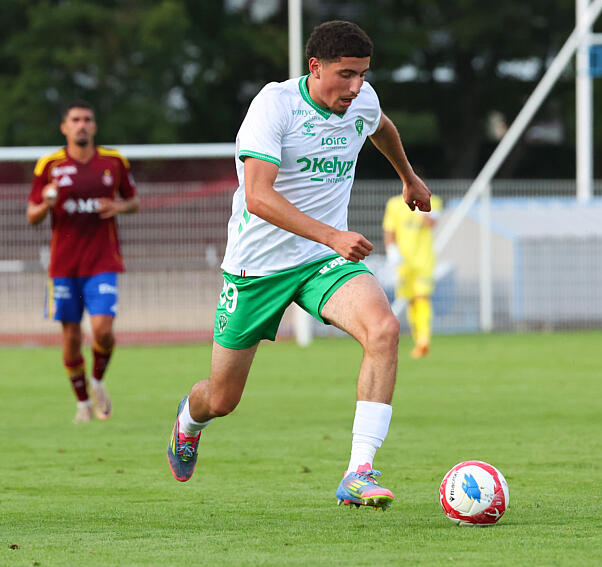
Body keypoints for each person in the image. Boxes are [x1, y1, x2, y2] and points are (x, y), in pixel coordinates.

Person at [165, 21, 431, 510]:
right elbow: (259, 197)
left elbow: (381, 126)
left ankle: (359, 470)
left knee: (384, 330)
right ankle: (189, 419)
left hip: (322, 262)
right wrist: (333, 233)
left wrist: (409, 179)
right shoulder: (275, 105)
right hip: (257, 268)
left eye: (363, 75)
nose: (356, 87)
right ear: (316, 67)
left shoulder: (362, 101)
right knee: (222, 399)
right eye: (346, 74)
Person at [26, 100, 140, 423]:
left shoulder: (113, 161)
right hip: (64, 266)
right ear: (65, 127)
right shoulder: (48, 165)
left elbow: (133, 201)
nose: (82, 125)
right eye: (75, 120)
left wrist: (118, 207)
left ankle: (98, 381)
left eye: (87, 119)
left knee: (102, 331)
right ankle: (82, 404)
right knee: (72, 337)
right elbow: (31, 216)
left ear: (94, 126)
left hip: (102, 261)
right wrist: (46, 201)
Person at [383, 193, 443, 358]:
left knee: (422, 297)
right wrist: (391, 250)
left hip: (424, 261)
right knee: (410, 300)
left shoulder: (434, 201)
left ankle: (424, 339)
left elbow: (430, 223)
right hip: (403, 262)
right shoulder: (394, 204)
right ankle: (418, 341)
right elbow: (389, 230)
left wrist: (420, 208)